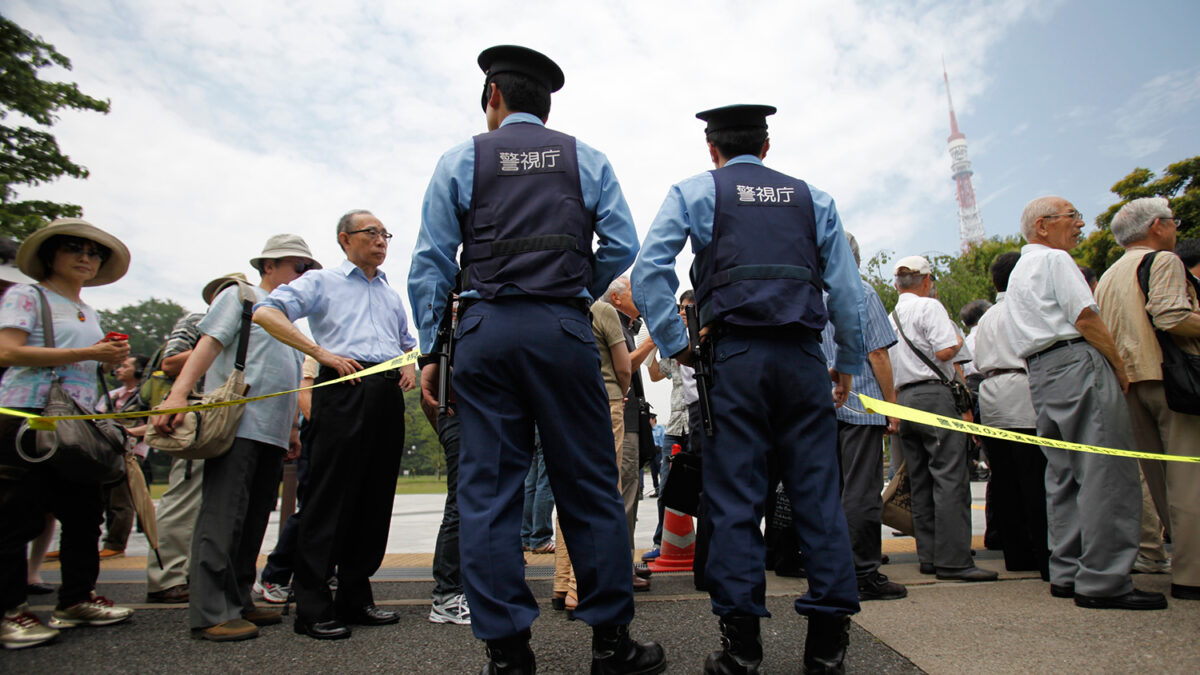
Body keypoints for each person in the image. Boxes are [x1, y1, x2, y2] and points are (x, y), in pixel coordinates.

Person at [409, 45, 664, 674]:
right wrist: (575, 283)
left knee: (488, 493)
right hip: (562, 328)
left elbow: (432, 265)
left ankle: (508, 654)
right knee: (590, 488)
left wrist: (431, 350)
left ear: (493, 94)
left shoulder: (460, 159)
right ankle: (611, 646)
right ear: (546, 103)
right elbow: (623, 243)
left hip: (485, 330)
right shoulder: (587, 159)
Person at [632, 103, 864, 673]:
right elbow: (847, 292)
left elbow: (648, 273)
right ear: (766, 147)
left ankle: (742, 650)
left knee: (734, 501)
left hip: (732, 359)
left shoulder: (697, 191)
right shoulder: (815, 199)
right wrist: (847, 362)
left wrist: (676, 342)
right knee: (818, 496)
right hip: (804, 358)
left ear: (712, 150)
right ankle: (828, 649)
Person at [254, 211, 418, 640]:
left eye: (385, 234)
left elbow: (405, 342)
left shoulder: (389, 294)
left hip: (385, 393)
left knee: (374, 497)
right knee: (329, 498)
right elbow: (267, 312)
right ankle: (311, 605)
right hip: (342, 387)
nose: (382, 240)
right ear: (345, 239)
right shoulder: (321, 281)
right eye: (372, 233)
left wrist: (410, 365)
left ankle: (355, 596)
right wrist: (319, 353)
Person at [153, 234, 318, 641]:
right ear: (269, 266)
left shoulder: (288, 319)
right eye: (298, 268)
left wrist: (294, 429)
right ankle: (210, 611)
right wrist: (177, 395)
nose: (303, 277)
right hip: (237, 423)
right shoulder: (241, 296)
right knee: (222, 516)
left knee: (253, 518)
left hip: (274, 432)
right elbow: (208, 345)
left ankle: (239, 598)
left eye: (308, 272)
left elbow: (290, 378)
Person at [1005, 195, 1166, 610]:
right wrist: (1119, 365)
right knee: (1105, 471)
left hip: (1041, 372)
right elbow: (1086, 316)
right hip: (1076, 360)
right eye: (1072, 216)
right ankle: (1105, 579)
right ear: (1043, 225)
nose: (1080, 224)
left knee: (1063, 474)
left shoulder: (1020, 270)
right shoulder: (1056, 261)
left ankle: (1069, 571)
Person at [0, 218, 134, 649]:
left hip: (78, 421)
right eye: (75, 248)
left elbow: (82, 362)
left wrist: (105, 359)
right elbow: (7, 350)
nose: (86, 257)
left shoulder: (86, 310)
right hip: (30, 415)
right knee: (18, 515)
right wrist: (88, 352)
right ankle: (9, 612)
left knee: (82, 515)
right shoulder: (28, 295)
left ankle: (75, 599)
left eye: (95, 253)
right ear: (50, 255)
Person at [1094, 197, 1200, 601]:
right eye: (1174, 221)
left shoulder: (1107, 277)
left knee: (1158, 482)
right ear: (1157, 225)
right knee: (1189, 481)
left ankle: (1177, 554)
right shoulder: (1163, 262)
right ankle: (1191, 574)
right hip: (1171, 378)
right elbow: (1171, 314)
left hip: (1129, 383)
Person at [886, 255, 995, 583]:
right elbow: (947, 351)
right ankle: (954, 560)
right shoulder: (929, 306)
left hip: (903, 398)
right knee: (950, 477)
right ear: (926, 280)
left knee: (919, 480)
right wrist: (960, 337)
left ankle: (929, 555)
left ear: (896, 283)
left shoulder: (891, 316)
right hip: (933, 396)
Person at [144, 273, 246, 605]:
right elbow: (170, 361)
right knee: (184, 496)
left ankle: (193, 573)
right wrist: (222, 339)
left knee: (214, 502)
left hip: (223, 418)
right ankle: (167, 577)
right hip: (195, 418)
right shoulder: (196, 321)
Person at [820, 231, 907, 602]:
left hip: (823, 406)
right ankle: (863, 572)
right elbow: (878, 355)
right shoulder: (861, 291)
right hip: (863, 403)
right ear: (853, 258)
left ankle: (834, 568)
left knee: (833, 491)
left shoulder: (811, 293)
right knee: (861, 492)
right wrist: (891, 404)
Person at [973, 252, 1049, 579]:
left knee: (1004, 479)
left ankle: (1016, 553)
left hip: (991, 393)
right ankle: (1045, 554)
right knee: (1035, 477)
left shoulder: (987, 316)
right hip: (1021, 389)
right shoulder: (1024, 308)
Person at [95, 353, 149, 559]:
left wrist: (130, 432)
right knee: (98, 496)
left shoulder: (145, 396)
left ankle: (115, 544)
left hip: (131, 452)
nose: (118, 369)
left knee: (121, 499)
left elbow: (156, 423)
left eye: (125, 366)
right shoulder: (113, 395)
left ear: (138, 371)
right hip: (105, 450)